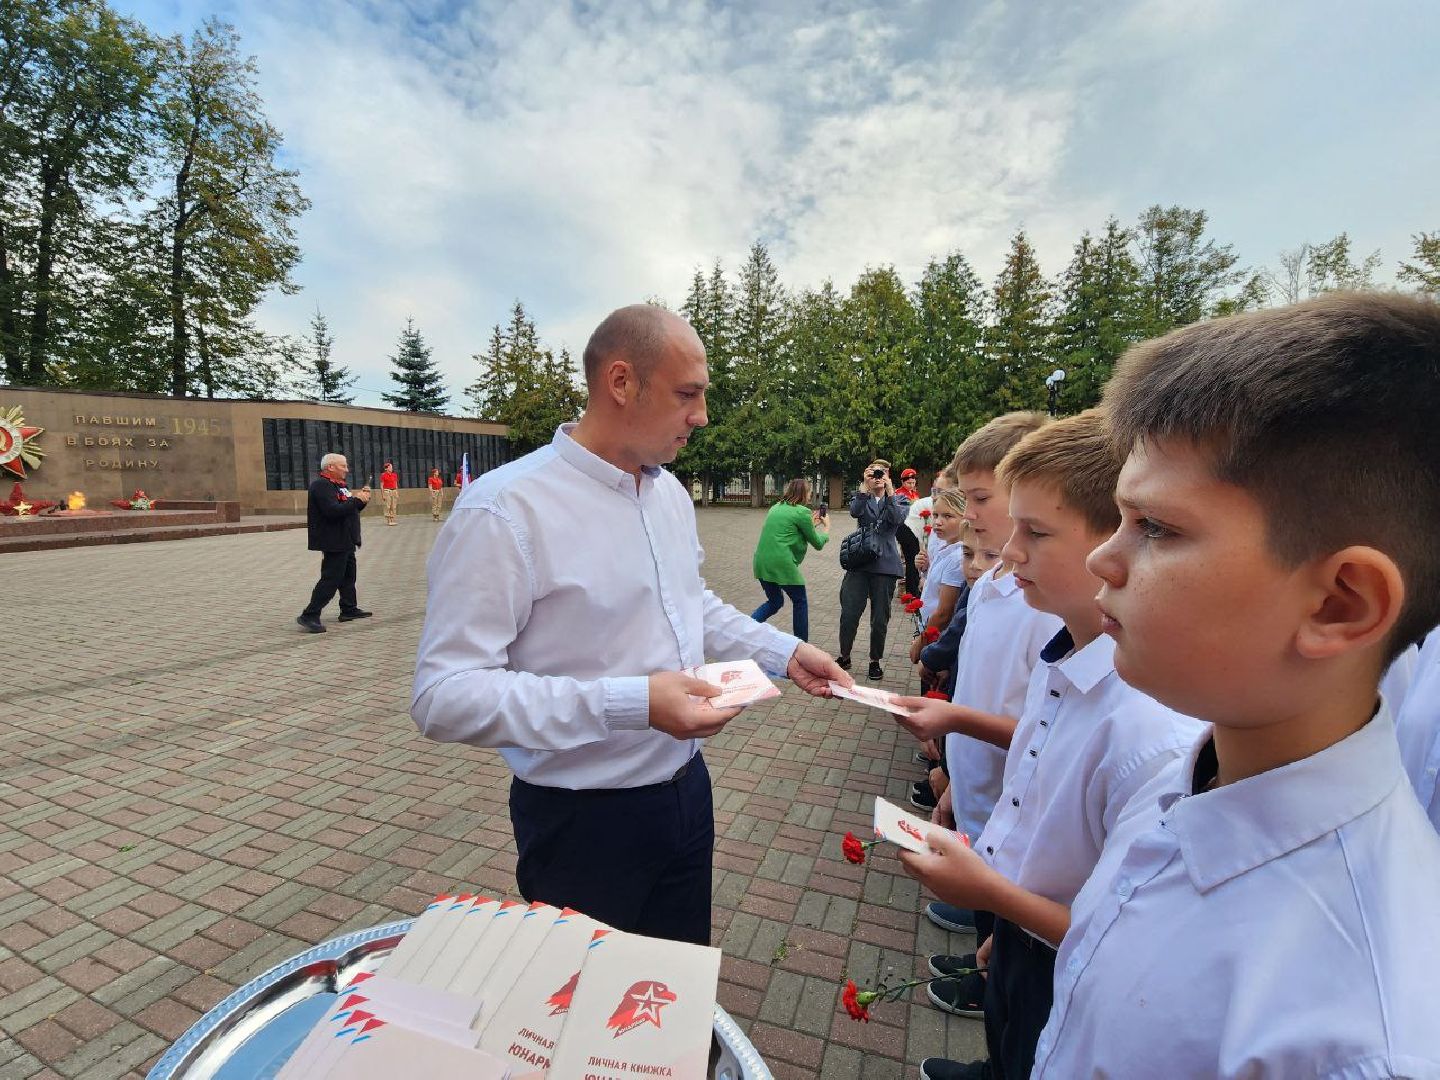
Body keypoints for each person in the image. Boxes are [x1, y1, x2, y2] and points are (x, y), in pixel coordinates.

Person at [1026, 294, 1440, 1077]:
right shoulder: (1197, 774)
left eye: (1157, 528)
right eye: (1120, 518)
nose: (1102, 559)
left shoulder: (1361, 1043)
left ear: (1339, 603)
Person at [409, 304, 850, 947]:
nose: (702, 416)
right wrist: (635, 703)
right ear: (621, 382)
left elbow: (690, 602)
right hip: (582, 823)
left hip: (686, 794)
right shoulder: (504, 510)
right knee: (586, 1003)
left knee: (671, 990)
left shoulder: (667, 492)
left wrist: (783, 651)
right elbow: (442, 696)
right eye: (687, 394)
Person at [896, 411, 1201, 1080]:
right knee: (1008, 1042)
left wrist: (995, 898)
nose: (1007, 553)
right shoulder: (1064, 653)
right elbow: (1033, 780)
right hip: (1023, 929)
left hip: (1060, 956)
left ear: (1114, 542)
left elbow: (1123, 937)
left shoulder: (1149, 730)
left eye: (1034, 533)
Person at [886, 412, 1058, 1005]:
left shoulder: (1045, 608)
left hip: (1015, 811)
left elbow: (1044, 733)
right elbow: (977, 688)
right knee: (992, 921)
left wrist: (954, 721)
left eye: (981, 498)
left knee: (1008, 928)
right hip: (980, 795)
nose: (968, 512)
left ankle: (990, 995)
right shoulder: (989, 585)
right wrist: (956, 782)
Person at [837, 459, 908, 681]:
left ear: (888, 475)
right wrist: (864, 487)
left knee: (879, 619)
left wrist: (889, 492)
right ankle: (844, 656)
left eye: (882, 472)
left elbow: (896, 518)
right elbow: (855, 512)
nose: (878, 476)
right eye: (874, 472)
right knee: (849, 614)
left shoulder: (899, 498)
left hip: (885, 565)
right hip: (860, 563)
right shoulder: (862, 495)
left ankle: (874, 660)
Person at [297, 453, 372, 633]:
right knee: (331, 578)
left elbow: (350, 509)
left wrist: (362, 500)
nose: (347, 470)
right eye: (343, 466)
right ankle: (309, 614)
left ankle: (348, 608)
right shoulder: (321, 486)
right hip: (333, 540)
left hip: (346, 538)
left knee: (348, 576)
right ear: (330, 467)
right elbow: (332, 511)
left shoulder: (340, 486)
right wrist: (356, 500)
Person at [750, 478, 829, 641]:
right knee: (800, 601)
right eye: (809, 492)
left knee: (775, 602)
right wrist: (826, 528)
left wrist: (810, 525)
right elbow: (817, 543)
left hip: (761, 562)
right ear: (804, 494)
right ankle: (801, 644)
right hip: (781, 563)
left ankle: (746, 629)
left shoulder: (775, 507)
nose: (810, 495)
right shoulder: (802, 512)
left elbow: (789, 531)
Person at [896, 467, 923, 596]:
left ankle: (912, 587)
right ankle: (911, 590)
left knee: (913, 559)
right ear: (903, 482)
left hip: (914, 529)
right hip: (905, 530)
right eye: (908, 483)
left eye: (913, 482)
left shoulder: (914, 494)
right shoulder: (899, 494)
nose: (911, 485)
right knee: (910, 560)